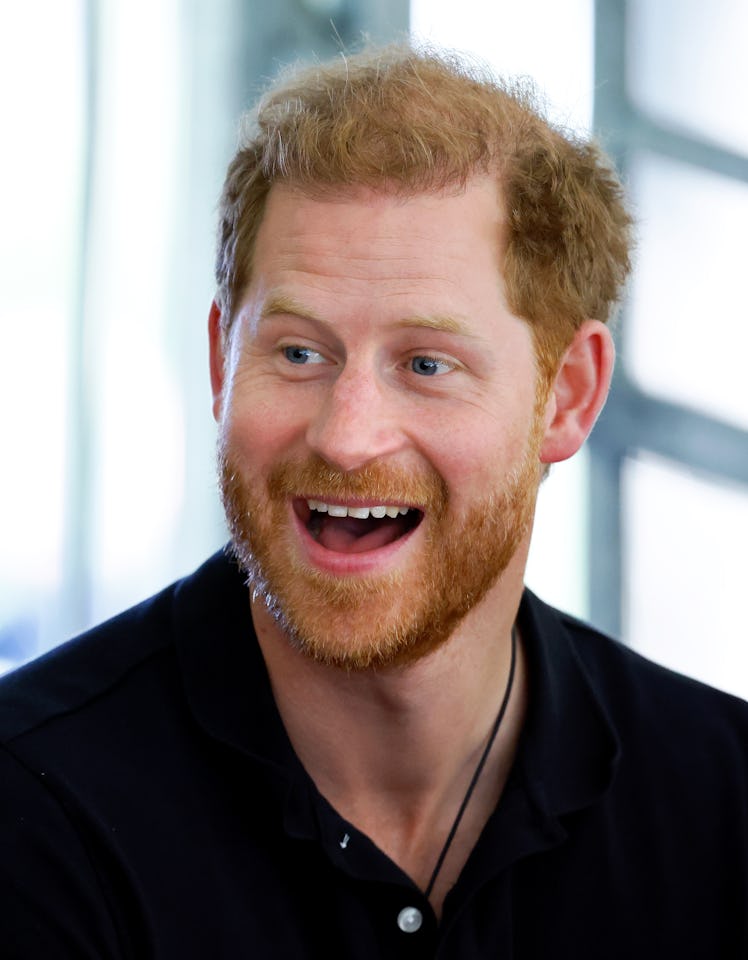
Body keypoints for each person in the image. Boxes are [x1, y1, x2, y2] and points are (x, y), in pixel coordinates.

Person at [1, 43, 747, 959]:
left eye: (427, 365)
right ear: (219, 363)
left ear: (568, 397)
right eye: (299, 353)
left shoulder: (728, 806)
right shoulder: (30, 811)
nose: (347, 435)